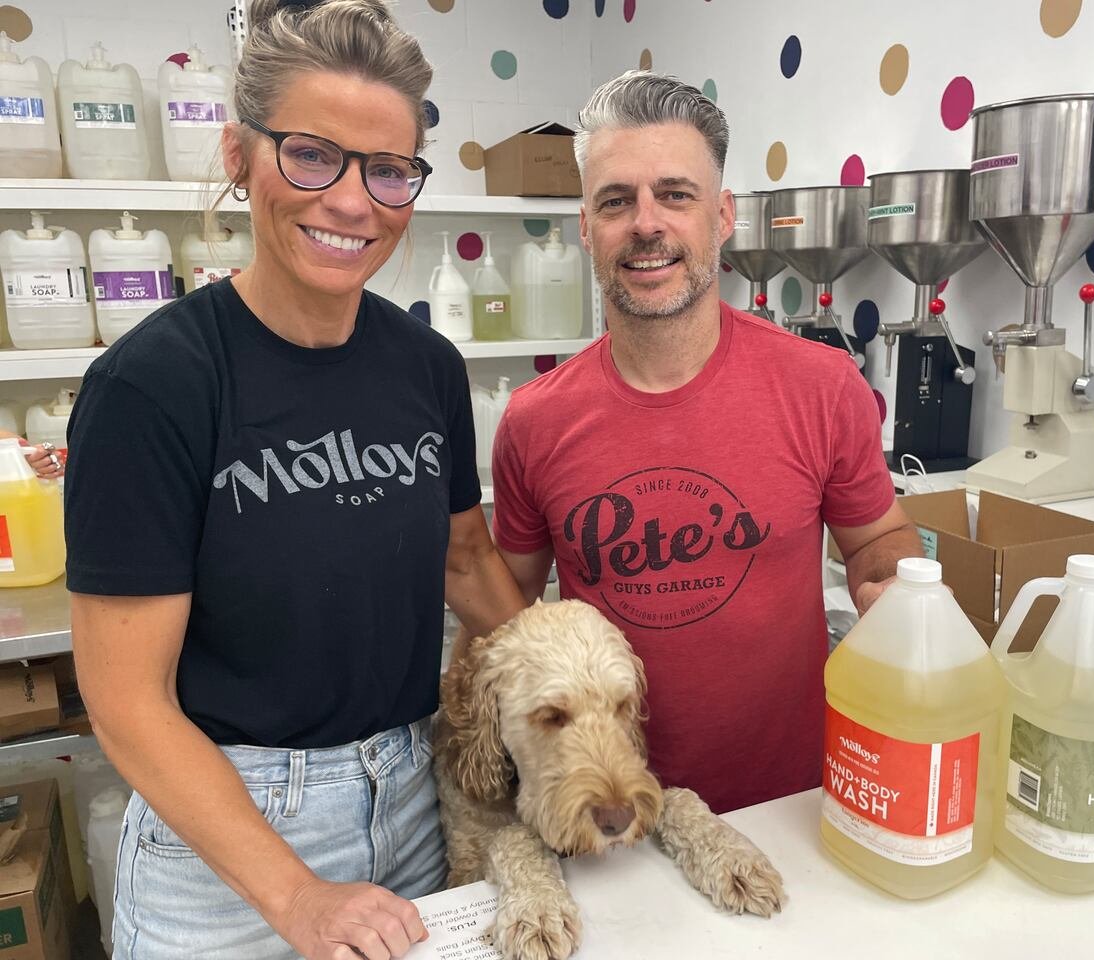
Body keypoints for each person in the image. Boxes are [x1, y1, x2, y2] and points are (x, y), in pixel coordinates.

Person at [64, 1, 525, 957]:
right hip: (226, 843)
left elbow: (465, 559)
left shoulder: (428, 368)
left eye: (390, 171)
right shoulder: (153, 387)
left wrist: (575, 681)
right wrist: (297, 897)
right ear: (239, 156)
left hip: (410, 793)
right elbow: (126, 701)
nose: (353, 201)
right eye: (312, 154)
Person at [490, 71, 923, 815]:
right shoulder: (534, 421)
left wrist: (892, 584)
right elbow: (506, 610)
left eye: (676, 194)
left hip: (794, 804)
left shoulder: (822, 387)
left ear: (722, 218)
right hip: (609, 815)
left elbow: (878, 539)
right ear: (586, 228)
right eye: (616, 201)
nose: (647, 224)